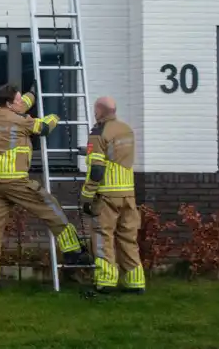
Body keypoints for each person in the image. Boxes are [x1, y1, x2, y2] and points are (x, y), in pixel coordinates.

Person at [0, 83, 90, 290]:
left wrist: (32, 93)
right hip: (14, 180)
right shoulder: (19, 121)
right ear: (10, 104)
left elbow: (21, 105)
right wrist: (55, 115)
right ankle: (73, 250)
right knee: (50, 207)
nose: (23, 102)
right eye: (19, 100)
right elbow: (44, 128)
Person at [80, 96, 144, 295]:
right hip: (128, 194)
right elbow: (115, 154)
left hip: (107, 195)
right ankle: (135, 282)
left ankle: (106, 281)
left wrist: (87, 195)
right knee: (128, 237)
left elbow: (98, 170)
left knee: (102, 237)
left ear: (99, 111)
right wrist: (88, 151)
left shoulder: (98, 133)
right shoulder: (127, 130)